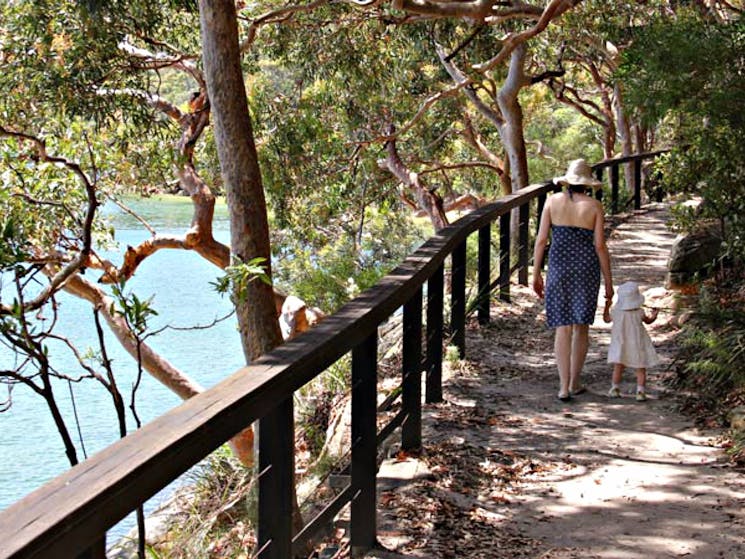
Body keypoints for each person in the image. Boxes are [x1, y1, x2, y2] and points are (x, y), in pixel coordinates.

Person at [532, 159, 614, 401]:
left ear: (567, 181)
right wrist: (609, 282)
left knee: (562, 327)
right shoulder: (595, 206)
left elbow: (540, 240)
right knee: (581, 327)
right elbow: (600, 246)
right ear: (588, 185)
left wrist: (536, 273)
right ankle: (575, 382)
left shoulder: (551, 202)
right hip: (586, 269)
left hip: (558, 267)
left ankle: (563, 386)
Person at [603, 281, 660, 401]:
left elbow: (606, 319)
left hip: (621, 343)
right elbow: (648, 321)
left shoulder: (616, 311)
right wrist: (654, 315)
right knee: (640, 368)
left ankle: (615, 388)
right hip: (637, 343)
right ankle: (640, 391)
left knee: (618, 366)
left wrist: (607, 306)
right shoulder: (639, 312)